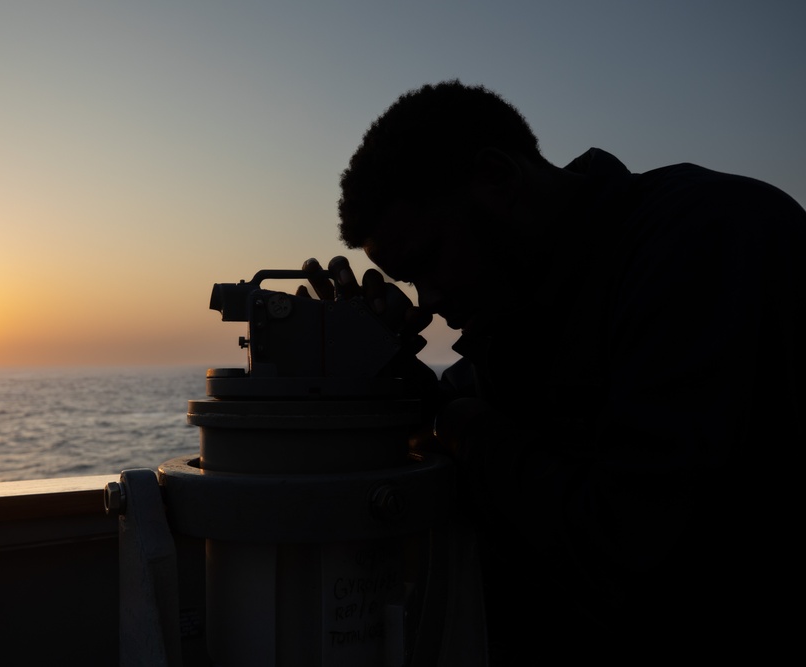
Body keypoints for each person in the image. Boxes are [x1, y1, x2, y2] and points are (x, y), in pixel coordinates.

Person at [305, 81, 805, 666]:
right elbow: (487, 414)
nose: (430, 299)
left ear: (495, 180)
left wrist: (461, 428)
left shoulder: (705, 237)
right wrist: (395, 379)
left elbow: (638, 554)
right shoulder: (540, 301)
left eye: (429, 260)